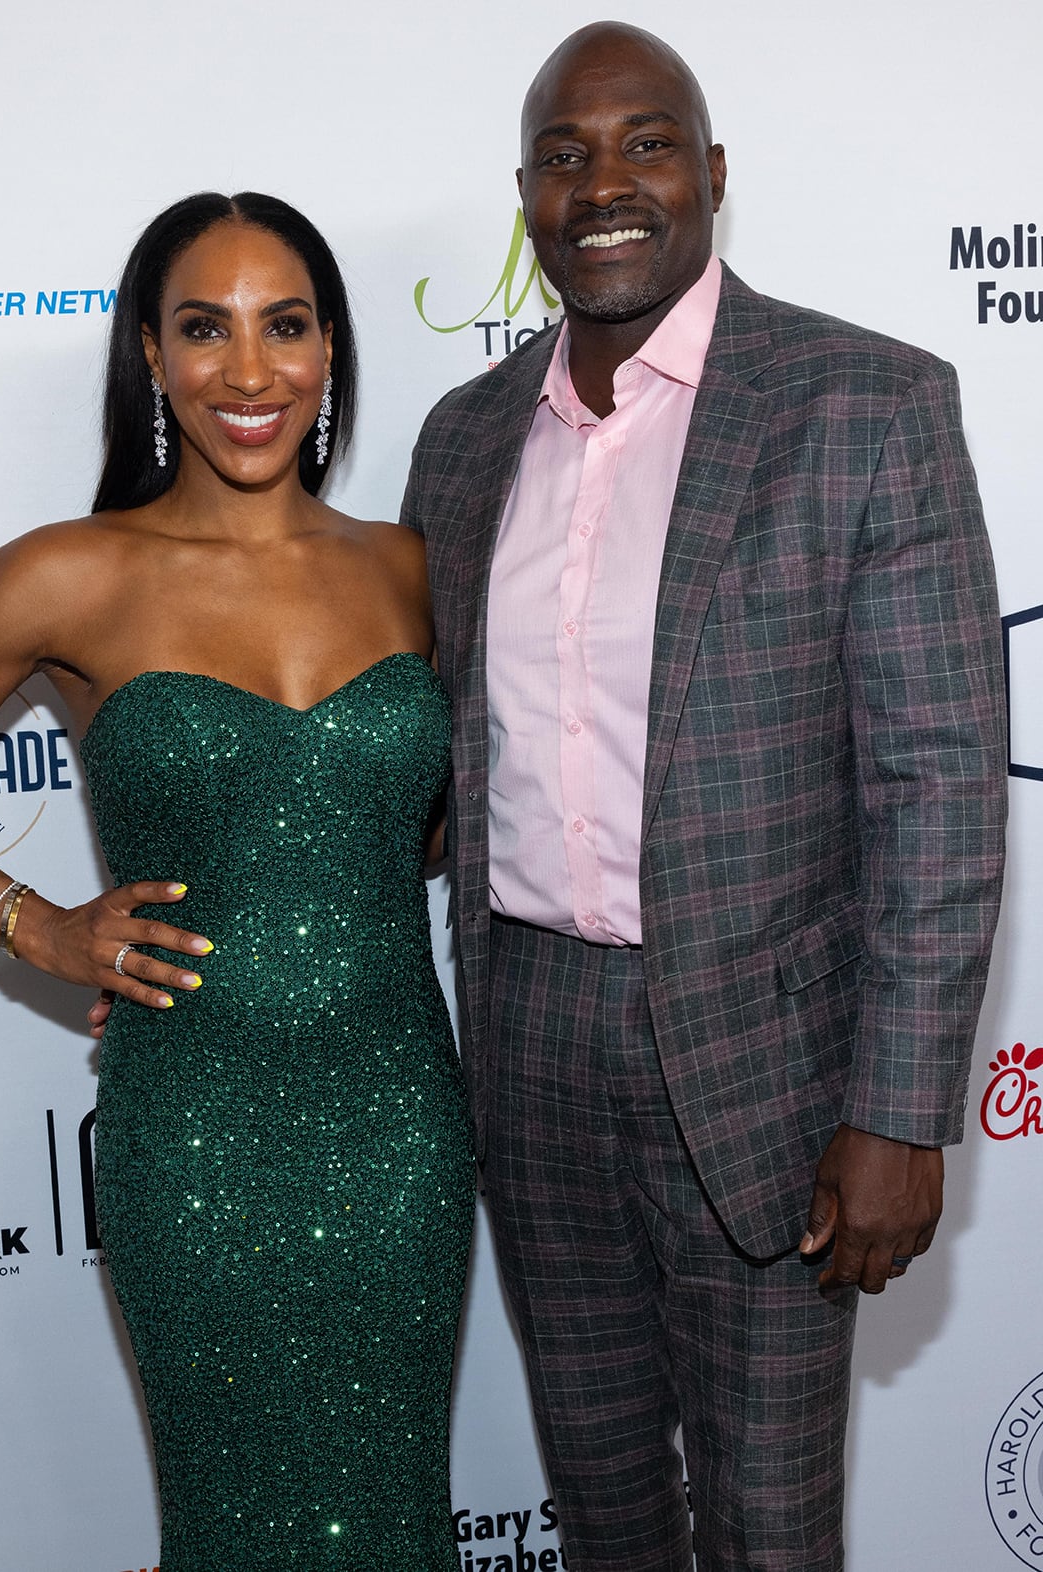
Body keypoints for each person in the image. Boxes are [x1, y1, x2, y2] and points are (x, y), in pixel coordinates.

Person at [400, 22, 1006, 1572]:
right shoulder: (463, 446)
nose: (605, 182)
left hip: (768, 1064)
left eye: (645, 142)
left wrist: (898, 1107)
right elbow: (432, 762)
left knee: (768, 1529)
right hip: (528, 1048)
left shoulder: (865, 403)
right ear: (526, 198)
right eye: (564, 155)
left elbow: (938, 781)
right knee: (603, 1516)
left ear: (713, 173)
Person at [0, 191, 472, 1571]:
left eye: (285, 325)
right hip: (195, 1143)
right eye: (206, 328)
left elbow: (428, 821)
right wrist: (35, 928)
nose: (250, 370)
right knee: (235, 1521)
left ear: (328, 351)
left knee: (395, 1516)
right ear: (150, 356)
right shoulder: (75, 571)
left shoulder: (416, 569)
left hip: (398, 1131)